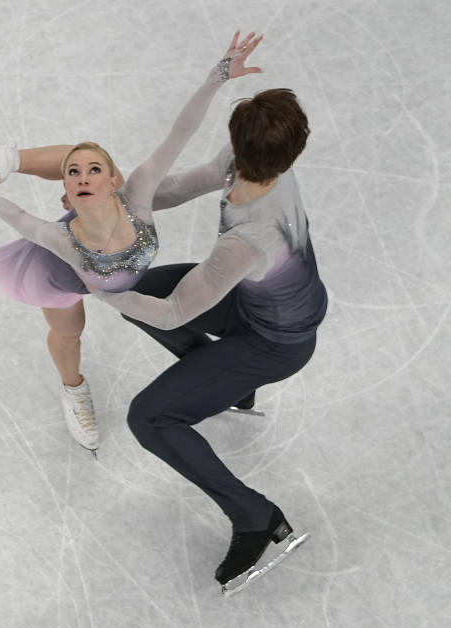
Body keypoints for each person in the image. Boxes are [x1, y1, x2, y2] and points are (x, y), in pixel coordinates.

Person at [0, 31, 264, 458]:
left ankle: (3, 159)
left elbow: (179, 133)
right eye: (73, 174)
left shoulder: (138, 196)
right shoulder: (59, 240)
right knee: (70, 333)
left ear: (114, 181)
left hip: (118, 261)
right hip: (52, 279)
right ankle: (73, 389)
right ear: (65, 195)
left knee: (89, 152)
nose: (83, 176)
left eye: (94, 171)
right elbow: (16, 216)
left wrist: (219, 75)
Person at [91, 84, 329, 589]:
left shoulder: (250, 239)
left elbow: (176, 312)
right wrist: (117, 199)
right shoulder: (262, 163)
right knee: (142, 291)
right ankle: (227, 386)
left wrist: (99, 284)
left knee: (149, 417)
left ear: (240, 145)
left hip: (276, 343)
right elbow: (183, 185)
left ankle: (257, 517)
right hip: (257, 302)